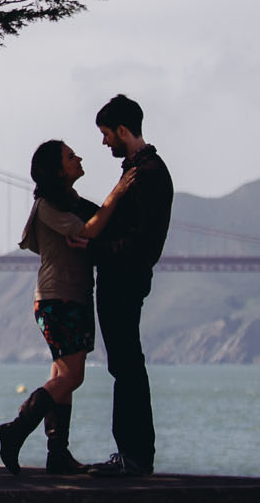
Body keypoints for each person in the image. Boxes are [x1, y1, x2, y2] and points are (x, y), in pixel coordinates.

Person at [0, 139, 136, 474]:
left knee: (61, 373)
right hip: (60, 299)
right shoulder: (48, 206)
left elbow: (98, 225)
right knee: (73, 376)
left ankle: (57, 453)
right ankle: (15, 431)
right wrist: (118, 191)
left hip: (69, 297)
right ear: (58, 170)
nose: (79, 158)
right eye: (71, 157)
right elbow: (91, 229)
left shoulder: (68, 202)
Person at [83, 92, 174, 478]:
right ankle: (132, 454)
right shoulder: (138, 170)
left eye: (106, 134)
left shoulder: (148, 173)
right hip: (122, 277)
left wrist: (92, 248)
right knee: (124, 364)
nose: (104, 142)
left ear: (123, 130)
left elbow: (141, 240)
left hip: (124, 279)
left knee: (126, 365)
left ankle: (134, 456)